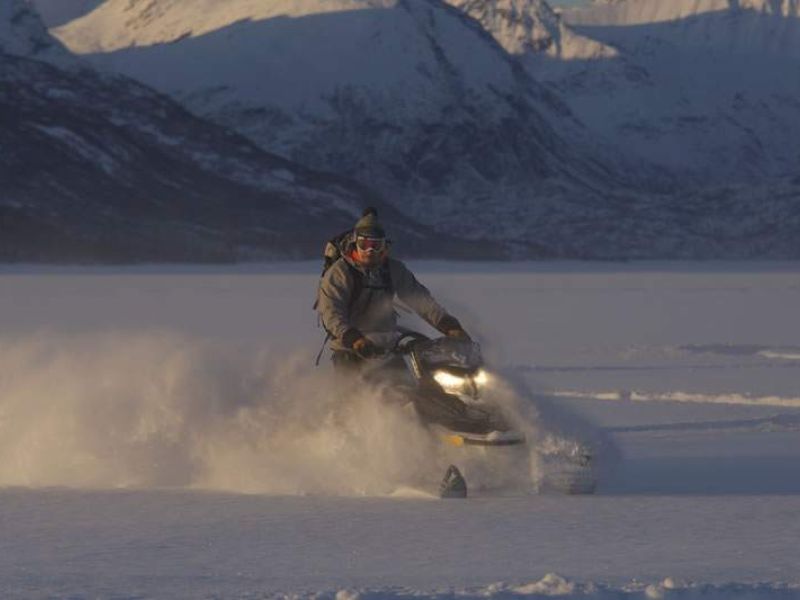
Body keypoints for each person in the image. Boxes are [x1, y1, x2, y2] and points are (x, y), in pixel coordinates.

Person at [316, 209, 468, 372]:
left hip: (387, 346)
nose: (370, 251)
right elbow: (331, 313)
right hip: (350, 348)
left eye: (376, 245)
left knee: (412, 384)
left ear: (384, 246)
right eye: (364, 245)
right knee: (351, 393)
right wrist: (355, 339)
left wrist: (449, 326)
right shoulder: (340, 273)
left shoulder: (393, 269)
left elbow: (421, 300)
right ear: (355, 244)